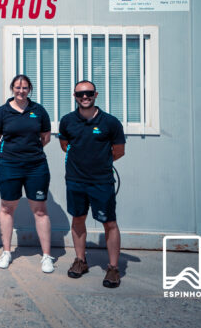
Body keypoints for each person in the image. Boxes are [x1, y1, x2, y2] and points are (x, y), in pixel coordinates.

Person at [58, 80, 126, 288]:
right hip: (75, 180)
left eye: (88, 93)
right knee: (78, 219)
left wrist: (99, 163)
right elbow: (65, 146)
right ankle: (80, 261)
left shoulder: (111, 122)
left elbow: (119, 151)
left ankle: (113, 268)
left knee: (110, 223)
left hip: (101, 181)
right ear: (75, 96)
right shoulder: (67, 121)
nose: (85, 97)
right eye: (80, 94)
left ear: (96, 94)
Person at [0, 75, 54, 273]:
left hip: (36, 166)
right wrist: (12, 153)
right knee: (7, 208)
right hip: (9, 165)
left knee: (40, 210)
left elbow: (45, 137)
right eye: (17, 87)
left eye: (25, 87)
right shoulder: (2, 112)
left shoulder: (38, 110)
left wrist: (29, 152)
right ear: (12, 89)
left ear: (29, 89)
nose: (21, 91)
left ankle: (46, 256)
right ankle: (7, 252)